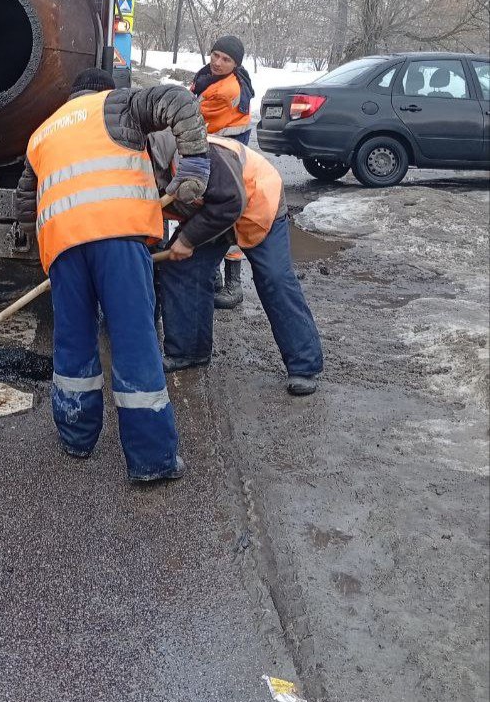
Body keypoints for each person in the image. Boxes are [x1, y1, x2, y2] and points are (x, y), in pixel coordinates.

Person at [16, 68, 210, 482]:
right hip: (118, 238)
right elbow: (181, 102)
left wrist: (40, 253)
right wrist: (194, 168)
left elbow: (24, 201)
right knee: (134, 342)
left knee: (72, 342)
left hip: (63, 246)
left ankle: (76, 437)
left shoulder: (43, 131)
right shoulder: (118, 105)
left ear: (71, 96)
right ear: (105, 90)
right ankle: (151, 460)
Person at [150, 129, 323, 397]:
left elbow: (231, 201)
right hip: (211, 211)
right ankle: (188, 351)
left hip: (257, 200)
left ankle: (304, 365)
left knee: (274, 278)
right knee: (182, 269)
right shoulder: (145, 170)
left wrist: (187, 240)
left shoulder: (196, 156)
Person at [191, 34, 255, 310]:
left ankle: (233, 285)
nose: (217, 62)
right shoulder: (208, 76)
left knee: (227, 217)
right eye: (215, 55)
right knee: (207, 211)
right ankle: (214, 278)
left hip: (226, 156)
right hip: (215, 152)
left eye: (225, 59)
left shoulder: (227, 90)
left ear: (235, 64)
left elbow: (192, 114)